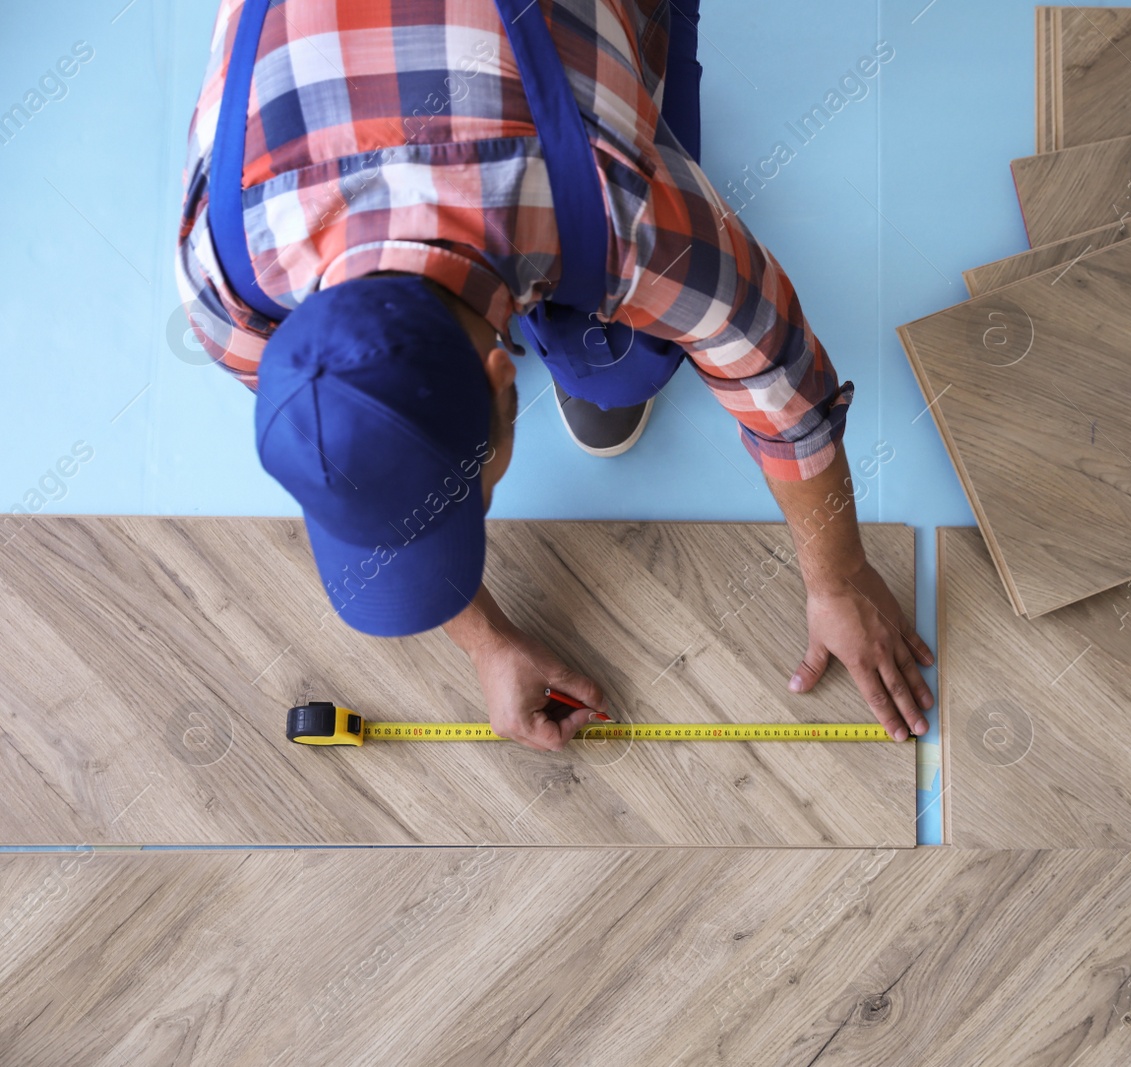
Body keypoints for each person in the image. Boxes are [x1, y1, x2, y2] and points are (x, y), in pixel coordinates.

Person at [174, 0, 933, 750]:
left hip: (556, 134)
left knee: (621, 368)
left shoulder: (625, 215)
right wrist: (485, 642)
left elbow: (780, 380)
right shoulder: (226, 286)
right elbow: (367, 471)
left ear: (506, 380)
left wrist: (840, 579)